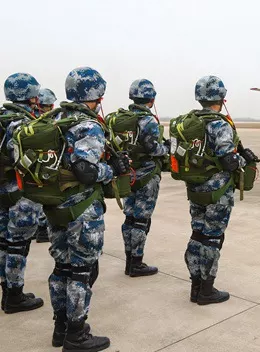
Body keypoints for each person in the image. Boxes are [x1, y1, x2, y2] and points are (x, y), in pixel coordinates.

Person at [45, 67, 129, 351]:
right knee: (82, 271)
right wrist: (112, 169)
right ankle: (76, 334)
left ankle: (60, 328)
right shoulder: (88, 125)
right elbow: (86, 171)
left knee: (61, 267)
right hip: (81, 210)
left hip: (55, 206)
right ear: (96, 94)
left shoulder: (55, 119)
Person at [181, 76, 258, 305]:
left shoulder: (189, 122)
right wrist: (245, 160)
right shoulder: (219, 124)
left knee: (197, 234)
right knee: (213, 238)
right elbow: (228, 161)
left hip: (195, 189)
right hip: (217, 192)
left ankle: (195, 286)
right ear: (221, 98)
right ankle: (207, 291)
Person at [0, 73, 44, 313]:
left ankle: (7, 292)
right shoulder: (26, 124)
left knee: (3, 243)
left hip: (1, 190)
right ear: (32, 95)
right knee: (18, 245)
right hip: (20, 193)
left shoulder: (2, 118)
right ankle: (14, 296)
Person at [119, 79, 168, 277]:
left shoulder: (123, 119)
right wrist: (167, 148)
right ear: (151, 99)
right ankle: (136, 263)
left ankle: (129, 260)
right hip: (146, 175)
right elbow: (153, 149)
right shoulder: (148, 120)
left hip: (128, 174)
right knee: (141, 220)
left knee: (129, 217)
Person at [34, 87, 58, 243]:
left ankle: (39, 228)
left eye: (50, 106)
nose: (48, 108)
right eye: (45, 106)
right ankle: (42, 229)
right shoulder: (34, 120)